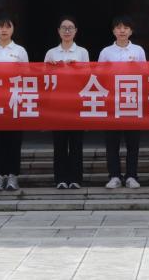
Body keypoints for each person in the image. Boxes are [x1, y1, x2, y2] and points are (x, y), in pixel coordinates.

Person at [98, 14, 146, 189]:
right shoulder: (106, 52)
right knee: (112, 142)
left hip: (132, 101)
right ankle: (114, 175)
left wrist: (136, 67)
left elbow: (146, 74)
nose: (122, 31)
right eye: (118, 27)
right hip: (112, 101)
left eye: (126, 28)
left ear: (131, 31)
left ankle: (132, 175)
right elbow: (99, 76)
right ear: (113, 31)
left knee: (133, 142)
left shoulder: (138, 51)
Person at [44, 14, 90, 189]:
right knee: (60, 143)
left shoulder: (82, 52)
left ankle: (76, 178)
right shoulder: (51, 53)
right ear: (58, 31)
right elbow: (44, 80)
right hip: (57, 104)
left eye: (70, 28)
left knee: (76, 143)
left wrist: (77, 68)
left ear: (76, 31)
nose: (67, 31)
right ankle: (61, 179)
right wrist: (50, 68)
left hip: (76, 102)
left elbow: (89, 77)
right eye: (64, 28)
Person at [0, 15, 29, 192]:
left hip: (14, 101)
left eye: (8, 27)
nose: (4, 30)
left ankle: (12, 176)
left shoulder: (20, 51)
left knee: (13, 140)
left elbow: (27, 75)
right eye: (1, 26)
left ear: (13, 29)